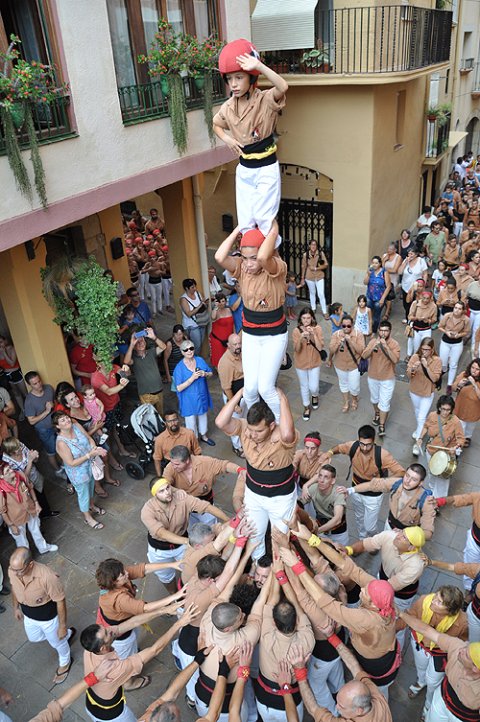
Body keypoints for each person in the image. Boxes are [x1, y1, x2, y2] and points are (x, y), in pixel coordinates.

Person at [279, 543, 400, 698]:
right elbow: (332, 566)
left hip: (377, 671)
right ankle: (338, 689)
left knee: (377, 696)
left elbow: (304, 595)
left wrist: (291, 566)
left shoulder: (364, 619)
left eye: (366, 592)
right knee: (337, 674)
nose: (362, 589)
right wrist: (308, 539)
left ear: (372, 603)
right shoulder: (346, 590)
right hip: (361, 652)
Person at [214, 38, 288, 244]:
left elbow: (283, 86)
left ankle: (270, 255)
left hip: (266, 167)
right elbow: (216, 124)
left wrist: (259, 66)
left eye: (239, 77)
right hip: (245, 168)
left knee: (264, 220)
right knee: (246, 223)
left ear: (251, 78)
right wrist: (227, 139)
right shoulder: (228, 106)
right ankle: (250, 259)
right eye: (229, 79)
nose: (234, 84)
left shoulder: (265, 99)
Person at [215, 221, 288, 422]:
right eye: (244, 258)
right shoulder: (241, 268)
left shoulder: (276, 267)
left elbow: (264, 257)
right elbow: (220, 256)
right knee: (250, 390)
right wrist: (240, 228)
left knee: (266, 388)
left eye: (253, 258)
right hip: (251, 334)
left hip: (274, 335)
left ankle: (283, 422)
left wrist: (273, 228)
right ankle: (256, 425)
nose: (248, 264)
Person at [216, 388, 298, 559]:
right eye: (251, 430)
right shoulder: (246, 428)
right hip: (253, 494)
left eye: (259, 431)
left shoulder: (283, 436)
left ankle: (277, 572)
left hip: (280, 498)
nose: (253, 435)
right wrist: (240, 394)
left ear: (272, 425)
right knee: (254, 535)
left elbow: (288, 433)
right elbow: (220, 422)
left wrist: (283, 399)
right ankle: (257, 567)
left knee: (279, 537)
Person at [81, 605, 198, 722]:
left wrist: (163, 610)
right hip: (112, 716)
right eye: (106, 633)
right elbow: (154, 650)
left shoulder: (90, 648)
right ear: (103, 648)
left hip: (90, 701)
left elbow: (131, 623)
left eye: (105, 628)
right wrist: (179, 623)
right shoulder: (116, 669)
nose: (109, 629)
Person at [140, 478, 228, 593]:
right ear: (154, 495)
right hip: (160, 550)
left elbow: (206, 507)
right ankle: (173, 594)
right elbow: (161, 533)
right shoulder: (147, 511)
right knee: (165, 576)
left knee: (192, 570)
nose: (167, 492)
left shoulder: (182, 498)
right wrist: (189, 542)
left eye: (168, 488)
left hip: (182, 545)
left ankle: (187, 593)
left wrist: (229, 520)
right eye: (161, 491)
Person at [254, 562, 315, 722]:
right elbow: (298, 606)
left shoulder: (266, 635)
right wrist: (281, 574)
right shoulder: (308, 639)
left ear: (274, 622)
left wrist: (276, 572)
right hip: (292, 701)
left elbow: (272, 599)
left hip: (263, 699)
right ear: (296, 622)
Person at [321, 425, 405, 539]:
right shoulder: (353, 446)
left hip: (373, 495)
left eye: (368, 444)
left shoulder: (382, 455)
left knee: (370, 526)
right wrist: (330, 452)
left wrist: (384, 482)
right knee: (359, 517)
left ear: (374, 441)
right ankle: (362, 539)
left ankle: (374, 539)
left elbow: (401, 472)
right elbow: (339, 448)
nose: (365, 448)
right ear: (358, 439)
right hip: (355, 489)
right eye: (362, 444)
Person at [95, 558, 184, 663]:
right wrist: (175, 597)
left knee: (134, 641)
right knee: (128, 658)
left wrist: (173, 565)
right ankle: (132, 676)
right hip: (122, 635)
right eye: (123, 574)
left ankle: (134, 651)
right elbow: (145, 608)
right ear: (114, 582)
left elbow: (142, 569)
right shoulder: (119, 600)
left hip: (126, 619)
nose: (127, 572)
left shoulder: (117, 575)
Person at [287, 637, 393, 722]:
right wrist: (332, 637)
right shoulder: (378, 699)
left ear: (359, 710)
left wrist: (299, 670)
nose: (336, 707)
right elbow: (355, 667)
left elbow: (313, 709)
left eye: (341, 706)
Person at [399, 611, 480, 722]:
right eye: (467, 647)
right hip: (442, 697)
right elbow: (427, 630)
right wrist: (401, 614)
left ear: (475, 668)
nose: (461, 650)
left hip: (463, 718)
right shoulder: (458, 647)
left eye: (466, 654)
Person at [9, 547, 74, 684]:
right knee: (34, 638)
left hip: (48, 618)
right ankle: (66, 635)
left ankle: (65, 661)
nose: (15, 573)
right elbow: (15, 588)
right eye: (13, 569)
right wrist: (15, 607)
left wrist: (62, 626)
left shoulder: (47, 577)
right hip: (29, 615)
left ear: (30, 565)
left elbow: (60, 600)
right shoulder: (13, 571)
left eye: (19, 570)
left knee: (57, 642)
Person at [403, 586, 467, 719]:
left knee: (433, 681)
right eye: (435, 596)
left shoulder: (462, 622)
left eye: (439, 602)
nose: (432, 601)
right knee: (420, 667)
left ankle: (428, 704)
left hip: (441, 654)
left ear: (450, 611)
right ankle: (420, 682)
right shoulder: (424, 600)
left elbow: (462, 641)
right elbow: (411, 615)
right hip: (421, 643)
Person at [342, 462, 436, 539]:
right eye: (407, 476)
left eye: (414, 479)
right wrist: (350, 490)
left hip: (407, 537)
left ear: (421, 483)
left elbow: (428, 533)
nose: (407, 481)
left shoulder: (427, 501)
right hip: (389, 525)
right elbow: (372, 485)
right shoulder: (396, 483)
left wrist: (406, 533)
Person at [348, 527, 427, 613]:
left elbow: (388, 587)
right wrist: (348, 550)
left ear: (411, 547)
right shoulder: (389, 536)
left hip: (400, 595)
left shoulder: (415, 566)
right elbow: (365, 544)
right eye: (402, 532)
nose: (398, 536)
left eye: (404, 538)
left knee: (395, 615)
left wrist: (367, 593)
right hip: (383, 576)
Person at [53, 412, 107, 530]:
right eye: (62, 420)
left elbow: (88, 438)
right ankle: (88, 518)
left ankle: (92, 506)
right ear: (57, 426)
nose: (67, 420)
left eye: (67, 418)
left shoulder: (76, 426)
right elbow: (71, 463)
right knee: (83, 494)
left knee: (91, 487)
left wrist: (94, 448)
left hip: (90, 464)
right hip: (78, 472)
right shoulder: (61, 442)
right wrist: (89, 455)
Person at [163, 445, 239, 523]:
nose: (174, 466)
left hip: (205, 503)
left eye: (177, 464)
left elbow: (224, 465)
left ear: (187, 461)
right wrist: (176, 491)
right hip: (184, 505)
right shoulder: (171, 467)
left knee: (210, 525)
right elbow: (163, 484)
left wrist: (240, 470)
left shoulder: (205, 462)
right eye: (172, 463)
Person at [0, 462, 58, 554]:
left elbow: (30, 488)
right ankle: (26, 558)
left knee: (36, 530)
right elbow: (2, 511)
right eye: (8, 471)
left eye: (10, 468)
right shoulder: (1, 490)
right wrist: (11, 525)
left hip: (30, 510)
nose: (12, 470)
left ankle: (44, 548)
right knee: (21, 541)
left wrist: (36, 503)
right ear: (1, 476)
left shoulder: (20, 475)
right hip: (15, 519)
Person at [417, 395, 465, 497]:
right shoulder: (432, 415)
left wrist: (456, 447)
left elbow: (461, 439)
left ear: (451, 409)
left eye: (448, 410)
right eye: (443, 409)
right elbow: (425, 426)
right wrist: (420, 438)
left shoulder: (455, 421)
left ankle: (439, 500)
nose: (445, 412)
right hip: (431, 450)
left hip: (446, 454)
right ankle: (431, 490)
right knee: (431, 471)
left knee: (443, 479)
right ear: (439, 407)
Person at [1, 436, 59, 519]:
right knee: (30, 501)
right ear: (11, 453)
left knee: (41, 495)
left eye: (20, 446)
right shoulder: (7, 461)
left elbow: (35, 460)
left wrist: (35, 457)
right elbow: (22, 478)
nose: (20, 448)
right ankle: (38, 521)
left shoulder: (21, 446)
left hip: (34, 476)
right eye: (17, 449)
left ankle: (46, 512)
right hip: (23, 485)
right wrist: (30, 461)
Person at [362, 320, 400, 436]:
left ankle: (382, 425)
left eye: (386, 331)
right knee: (374, 399)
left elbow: (395, 360)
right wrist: (373, 345)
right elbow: (364, 355)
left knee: (384, 402)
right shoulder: (373, 341)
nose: (383, 333)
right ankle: (377, 413)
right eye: (381, 330)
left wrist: (386, 347)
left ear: (390, 331)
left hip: (387, 378)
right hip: (373, 376)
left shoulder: (394, 344)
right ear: (378, 330)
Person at [173, 339, 215, 445]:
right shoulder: (179, 368)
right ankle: (194, 441)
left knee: (203, 416)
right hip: (188, 399)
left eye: (191, 348)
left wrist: (205, 374)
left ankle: (204, 436)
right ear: (182, 352)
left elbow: (211, 373)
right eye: (186, 350)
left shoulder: (200, 360)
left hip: (201, 395)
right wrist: (192, 378)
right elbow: (178, 388)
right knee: (191, 422)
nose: (189, 351)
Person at [24, 371, 65, 477]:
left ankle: (64, 464)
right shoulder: (29, 401)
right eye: (35, 384)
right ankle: (58, 471)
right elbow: (31, 421)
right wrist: (47, 411)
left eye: (39, 381)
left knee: (62, 445)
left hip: (56, 424)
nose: (39, 385)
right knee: (51, 450)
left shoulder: (48, 388)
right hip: (44, 430)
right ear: (30, 385)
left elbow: (55, 403)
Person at [91, 360, 134, 459]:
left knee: (115, 429)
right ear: (98, 363)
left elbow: (125, 373)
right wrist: (122, 385)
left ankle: (122, 450)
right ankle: (110, 459)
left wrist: (126, 371)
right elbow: (108, 391)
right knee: (107, 434)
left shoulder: (113, 367)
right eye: (104, 360)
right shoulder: (96, 377)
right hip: (104, 411)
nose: (108, 362)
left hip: (115, 404)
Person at [407, 338, 443, 456]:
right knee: (417, 412)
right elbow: (408, 374)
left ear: (432, 350)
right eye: (423, 349)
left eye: (427, 350)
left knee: (422, 417)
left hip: (428, 392)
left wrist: (426, 366)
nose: (424, 352)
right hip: (415, 390)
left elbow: (435, 379)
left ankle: (418, 442)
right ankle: (420, 430)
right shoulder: (415, 357)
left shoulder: (437, 360)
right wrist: (413, 368)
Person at [300, 464, 349, 545]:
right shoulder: (313, 488)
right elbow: (301, 503)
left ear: (333, 481)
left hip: (338, 532)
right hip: (321, 527)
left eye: (326, 477)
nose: (321, 480)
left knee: (342, 554)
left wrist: (317, 531)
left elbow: (337, 519)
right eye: (320, 476)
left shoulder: (338, 493)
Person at [122, 328, 166, 414]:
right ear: (134, 347)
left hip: (159, 390)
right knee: (149, 417)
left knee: (161, 415)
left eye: (142, 341)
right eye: (137, 342)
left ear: (145, 342)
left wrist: (154, 338)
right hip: (146, 394)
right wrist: (131, 344)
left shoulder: (151, 352)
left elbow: (163, 347)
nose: (140, 344)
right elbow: (126, 361)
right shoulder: (133, 358)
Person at [327, 314, 365, 413]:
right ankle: (346, 402)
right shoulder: (336, 335)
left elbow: (361, 351)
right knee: (343, 384)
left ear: (352, 325)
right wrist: (338, 343)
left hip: (354, 366)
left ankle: (354, 399)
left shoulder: (358, 334)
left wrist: (351, 341)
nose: (346, 328)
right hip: (340, 365)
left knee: (354, 386)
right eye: (344, 326)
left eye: (349, 326)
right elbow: (331, 350)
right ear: (341, 326)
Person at [292, 307, 325, 421]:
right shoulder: (296, 331)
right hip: (301, 363)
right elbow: (296, 349)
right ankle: (306, 407)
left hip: (314, 362)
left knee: (314, 386)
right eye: (304, 318)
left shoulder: (318, 328)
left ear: (312, 318)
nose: (306, 321)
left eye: (308, 318)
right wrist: (301, 337)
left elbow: (320, 347)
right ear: (300, 319)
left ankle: (315, 395)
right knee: (304, 386)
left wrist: (313, 334)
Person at [217, 333, 245, 457]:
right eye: (235, 344)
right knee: (234, 422)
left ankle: (245, 440)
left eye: (239, 343)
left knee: (244, 419)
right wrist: (234, 404)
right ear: (228, 345)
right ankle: (237, 447)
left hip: (244, 393)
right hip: (233, 396)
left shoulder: (242, 354)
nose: (238, 346)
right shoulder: (225, 362)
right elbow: (227, 387)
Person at [153, 409, 201, 475]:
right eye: (169, 421)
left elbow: (197, 451)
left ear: (178, 420)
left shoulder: (189, 433)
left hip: (188, 463)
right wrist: (159, 477)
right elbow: (157, 459)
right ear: (165, 423)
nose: (173, 423)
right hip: (171, 467)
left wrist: (199, 468)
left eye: (175, 420)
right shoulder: (160, 439)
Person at [453, 358, 480, 446]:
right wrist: (459, 384)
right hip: (461, 407)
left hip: (473, 411)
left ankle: (467, 437)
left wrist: (475, 385)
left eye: (477, 369)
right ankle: (458, 448)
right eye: (473, 368)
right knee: (461, 429)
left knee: (470, 427)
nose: (474, 371)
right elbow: (453, 388)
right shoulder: (463, 375)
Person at [179, 278, 210, 354]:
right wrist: (199, 306)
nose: (195, 289)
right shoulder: (184, 299)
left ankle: (196, 359)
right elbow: (189, 314)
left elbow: (203, 303)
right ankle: (194, 361)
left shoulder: (198, 293)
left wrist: (205, 303)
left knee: (200, 343)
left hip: (202, 321)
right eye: (192, 287)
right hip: (191, 325)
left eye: (195, 286)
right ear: (187, 288)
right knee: (197, 345)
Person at [300, 239, 329, 318]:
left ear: (316, 246)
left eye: (315, 245)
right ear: (309, 246)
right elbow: (303, 267)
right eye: (312, 245)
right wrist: (302, 278)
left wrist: (316, 268)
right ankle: (313, 308)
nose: (313, 246)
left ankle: (325, 311)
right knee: (312, 293)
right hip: (309, 277)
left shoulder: (320, 253)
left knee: (321, 294)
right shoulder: (305, 255)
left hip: (319, 276)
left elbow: (326, 265)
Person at [0, 335, 27, 416]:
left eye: (1, 342)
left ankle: (30, 409)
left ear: (5, 341)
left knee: (25, 393)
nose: (0, 344)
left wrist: (4, 352)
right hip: (7, 375)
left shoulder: (11, 348)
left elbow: (12, 363)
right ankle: (23, 410)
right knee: (16, 394)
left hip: (16, 373)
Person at [407, 289, 438, 358]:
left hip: (426, 329)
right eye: (424, 298)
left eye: (427, 299)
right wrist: (417, 318)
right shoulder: (416, 303)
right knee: (416, 347)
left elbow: (434, 319)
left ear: (430, 298)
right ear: (421, 297)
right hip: (416, 329)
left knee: (426, 345)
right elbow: (410, 316)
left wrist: (428, 321)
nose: (425, 300)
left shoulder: (434, 306)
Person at [364, 256, 391, 333]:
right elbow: (365, 283)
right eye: (373, 263)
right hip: (369, 296)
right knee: (368, 313)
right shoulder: (370, 271)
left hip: (379, 298)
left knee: (376, 316)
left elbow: (388, 286)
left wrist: (382, 299)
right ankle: (367, 328)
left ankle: (374, 330)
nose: (374, 265)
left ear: (380, 264)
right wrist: (368, 274)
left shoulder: (384, 272)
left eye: (376, 263)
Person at [400, 249, 429, 321]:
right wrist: (405, 262)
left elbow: (425, 273)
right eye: (409, 254)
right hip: (405, 286)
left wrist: (423, 284)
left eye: (412, 254)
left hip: (417, 287)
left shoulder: (421, 261)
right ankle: (407, 317)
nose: (410, 255)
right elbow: (399, 272)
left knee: (415, 303)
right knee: (406, 303)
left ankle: (414, 318)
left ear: (416, 254)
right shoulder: (405, 261)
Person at [209, 293, 234, 367]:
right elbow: (213, 317)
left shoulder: (229, 310)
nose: (222, 303)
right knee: (218, 360)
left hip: (228, 339)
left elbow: (233, 324)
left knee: (228, 360)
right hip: (218, 340)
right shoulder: (216, 311)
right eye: (220, 301)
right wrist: (216, 307)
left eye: (223, 301)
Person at [382, 243, 402, 319]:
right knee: (384, 294)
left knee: (389, 296)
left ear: (395, 250)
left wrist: (385, 269)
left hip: (393, 279)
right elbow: (380, 267)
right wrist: (384, 261)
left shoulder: (398, 257)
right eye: (388, 249)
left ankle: (387, 313)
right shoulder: (384, 256)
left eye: (391, 249)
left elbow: (394, 270)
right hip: (384, 278)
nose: (389, 250)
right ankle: (388, 308)